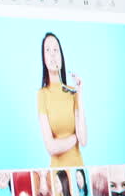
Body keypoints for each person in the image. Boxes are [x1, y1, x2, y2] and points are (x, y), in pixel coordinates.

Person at [36, 32, 87, 167]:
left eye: (56, 50)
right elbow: (51, 148)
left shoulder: (72, 92)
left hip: (78, 169)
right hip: (57, 174)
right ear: (43, 58)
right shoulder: (42, 94)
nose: (52, 54)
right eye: (47, 50)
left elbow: (83, 140)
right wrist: (73, 138)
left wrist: (79, 93)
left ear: (61, 56)